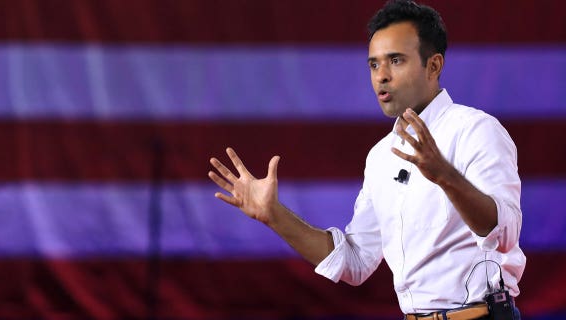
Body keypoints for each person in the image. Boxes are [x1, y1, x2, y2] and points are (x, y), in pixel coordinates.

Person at [207, 1, 525, 319]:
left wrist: (445, 175)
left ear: (434, 65)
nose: (381, 77)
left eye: (395, 61)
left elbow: (505, 232)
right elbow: (355, 262)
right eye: (374, 65)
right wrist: (274, 215)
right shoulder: (380, 156)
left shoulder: (476, 130)